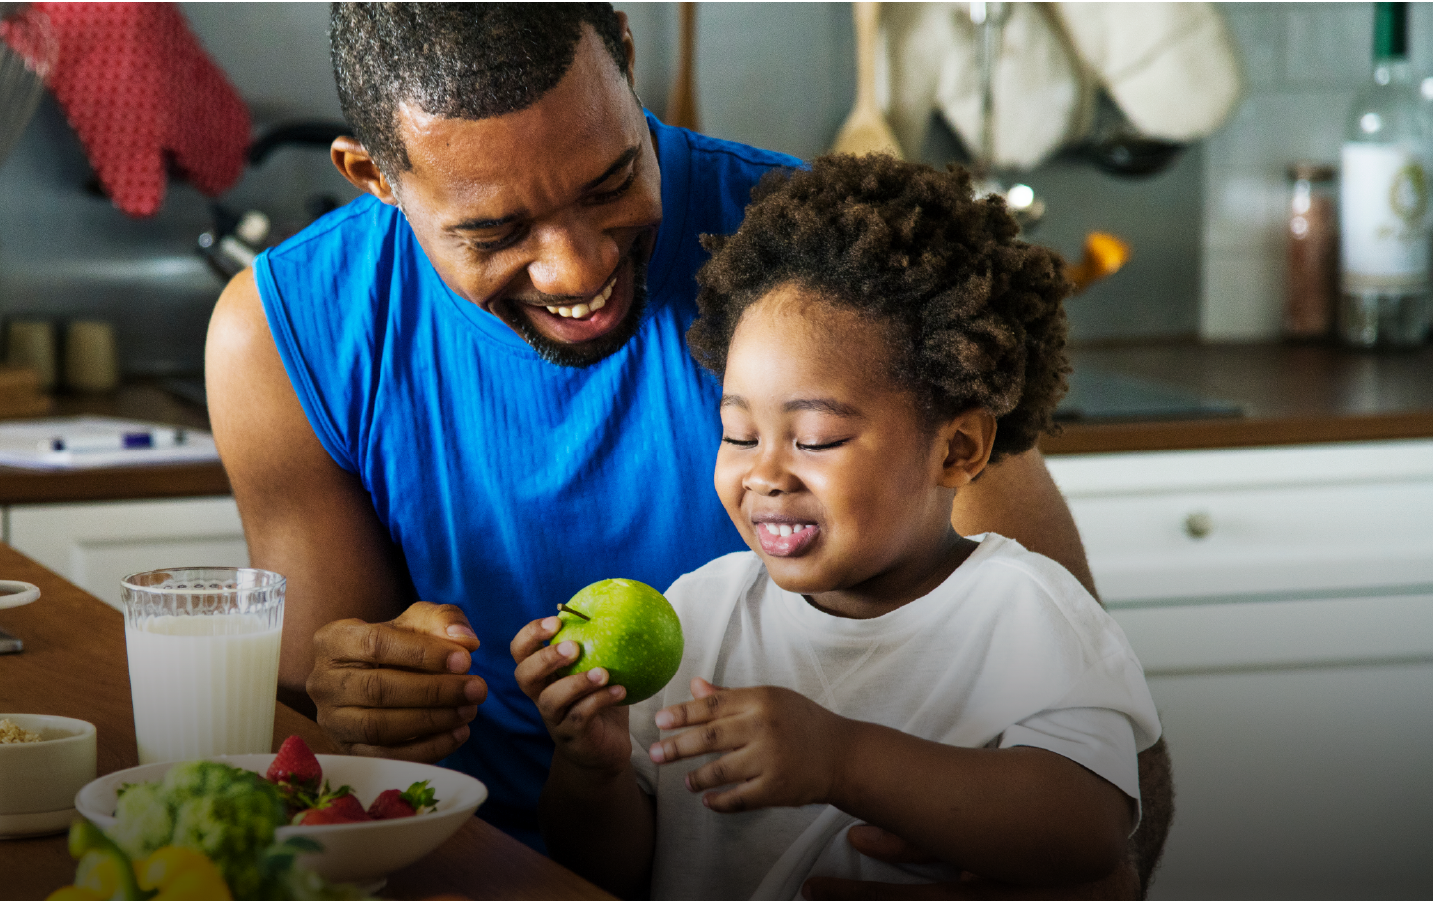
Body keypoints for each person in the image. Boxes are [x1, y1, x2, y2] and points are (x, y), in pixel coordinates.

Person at [205, 4, 1174, 896]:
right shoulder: (287, 330)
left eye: (612, 179)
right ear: (373, 176)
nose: (577, 267)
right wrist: (365, 698)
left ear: (627, 58)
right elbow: (311, 749)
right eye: (494, 229)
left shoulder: (829, 280)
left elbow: (1109, 775)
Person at [511, 153, 1163, 901]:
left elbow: (1086, 831)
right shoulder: (700, 613)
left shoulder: (1027, 613)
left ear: (955, 448)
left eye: (814, 438)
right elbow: (608, 872)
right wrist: (590, 769)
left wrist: (840, 758)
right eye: (737, 433)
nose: (763, 474)